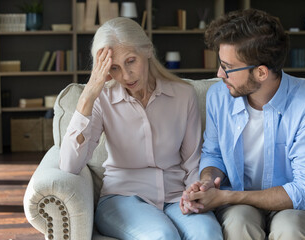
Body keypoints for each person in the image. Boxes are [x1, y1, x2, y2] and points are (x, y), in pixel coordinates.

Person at [180, 9, 305, 240]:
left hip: (293, 205)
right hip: (239, 202)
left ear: (261, 72)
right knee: (238, 225)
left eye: (228, 67)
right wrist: (207, 183)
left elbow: (304, 191)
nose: (219, 73)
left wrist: (228, 197)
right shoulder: (218, 96)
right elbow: (214, 154)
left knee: (290, 229)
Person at [59, 17, 223, 240]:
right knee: (162, 236)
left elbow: (193, 160)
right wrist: (87, 96)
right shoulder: (100, 100)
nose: (125, 76)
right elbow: (70, 165)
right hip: (122, 198)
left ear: (147, 50)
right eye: (114, 68)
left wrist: (194, 190)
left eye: (131, 61)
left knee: (208, 234)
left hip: (176, 196)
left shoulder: (183, 95)